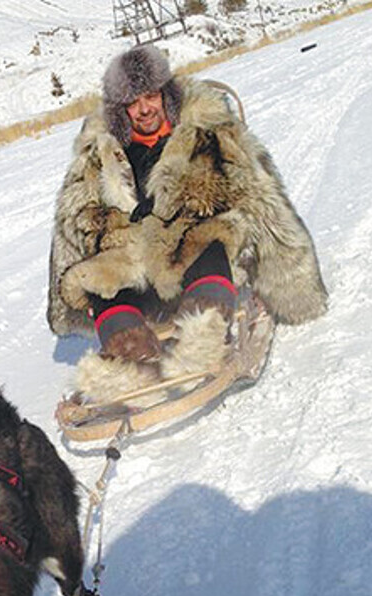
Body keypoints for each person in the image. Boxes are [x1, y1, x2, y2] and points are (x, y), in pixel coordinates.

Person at [47, 44, 328, 403]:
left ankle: (201, 335)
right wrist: (71, 295)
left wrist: (292, 286)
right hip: (137, 269)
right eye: (134, 102)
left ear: (167, 94)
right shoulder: (99, 156)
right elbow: (70, 226)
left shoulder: (207, 134)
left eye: (151, 96)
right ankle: (129, 356)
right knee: (100, 277)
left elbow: (261, 198)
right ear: (121, 109)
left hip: (197, 258)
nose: (145, 108)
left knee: (212, 238)